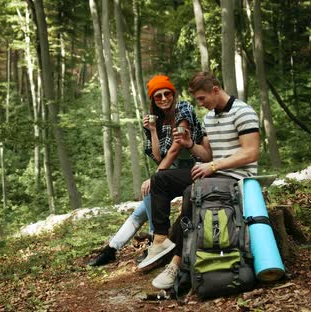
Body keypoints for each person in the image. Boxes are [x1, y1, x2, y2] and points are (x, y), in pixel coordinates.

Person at [147, 71, 260, 289]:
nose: (200, 104)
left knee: (193, 192)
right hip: (213, 173)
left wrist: (214, 166)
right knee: (160, 179)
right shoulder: (209, 117)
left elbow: (251, 153)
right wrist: (190, 144)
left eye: (202, 98)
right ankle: (161, 240)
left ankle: (176, 263)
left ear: (215, 90)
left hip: (237, 178)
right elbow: (207, 155)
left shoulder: (243, 111)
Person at [87, 75, 207, 266]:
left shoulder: (183, 109)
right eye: (158, 96)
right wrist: (152, 130)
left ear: (173, 94)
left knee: (151, 191)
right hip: (171, 173)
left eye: (166, 93)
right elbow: (159, 157)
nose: (163, 99)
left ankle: (154, 244)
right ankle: (111, 249)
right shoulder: (156, 120)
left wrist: (156, 176)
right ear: (153, 100)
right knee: (141, 210)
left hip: (196, 168)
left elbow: (176, 148)